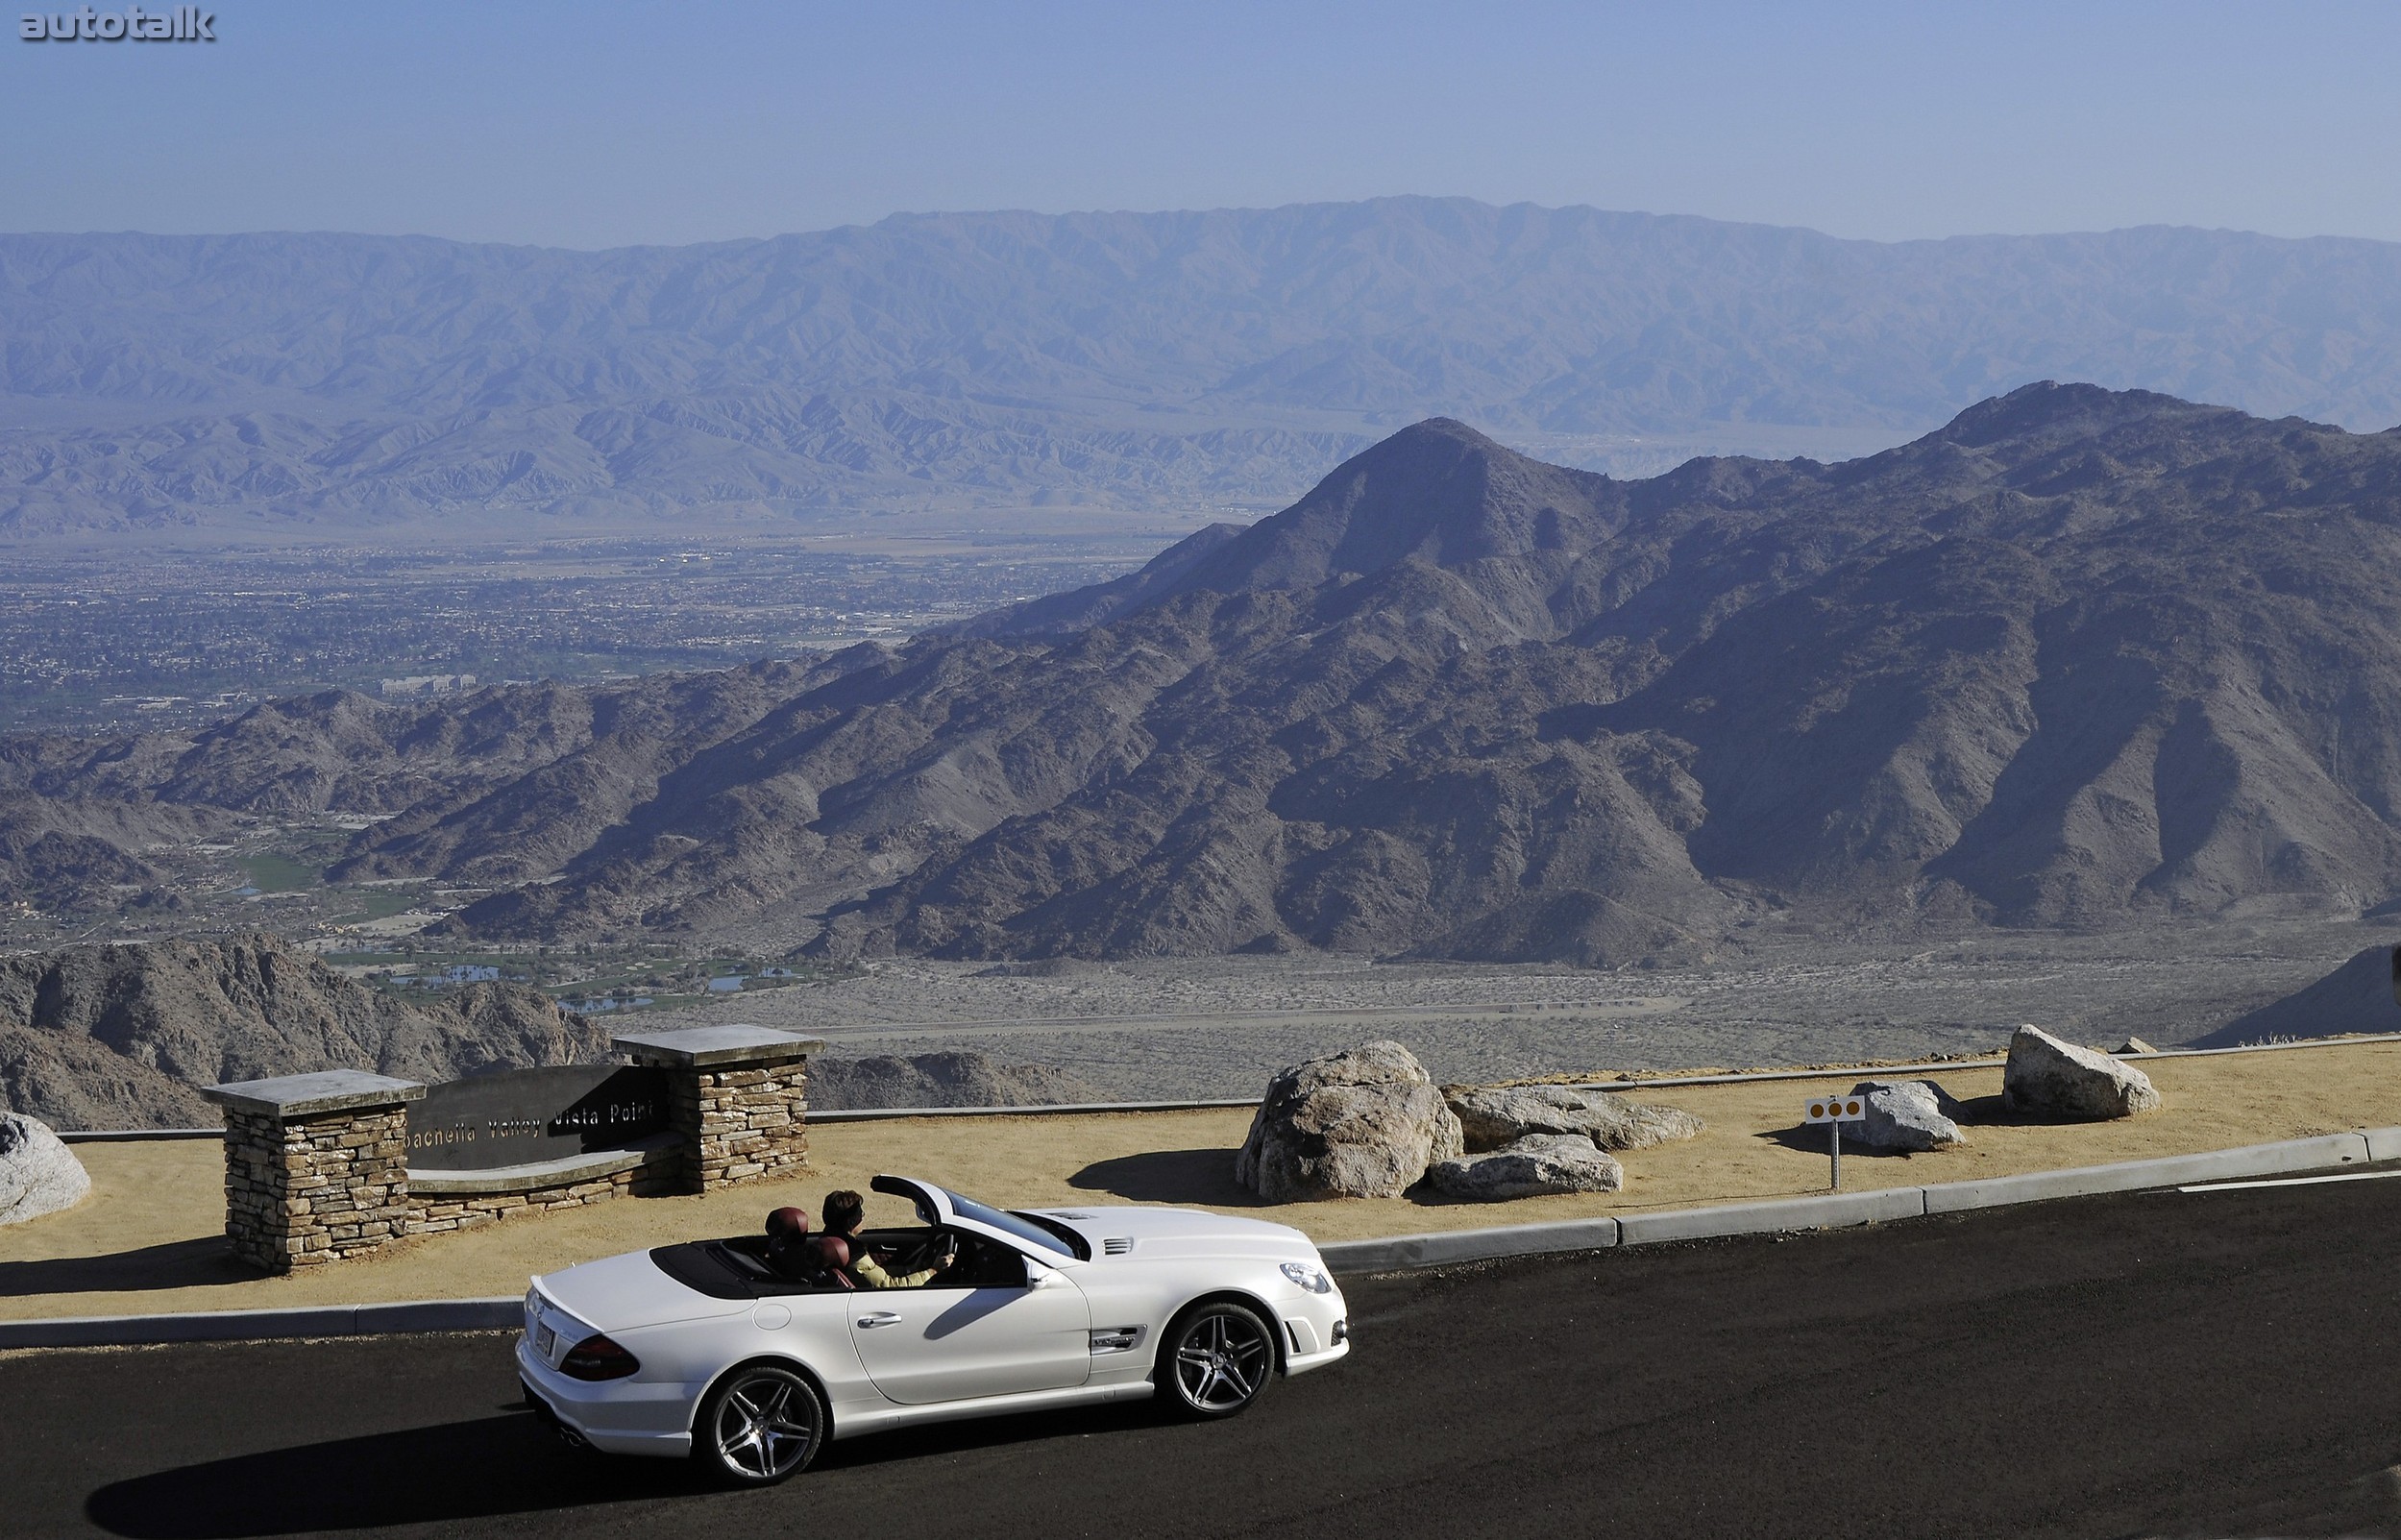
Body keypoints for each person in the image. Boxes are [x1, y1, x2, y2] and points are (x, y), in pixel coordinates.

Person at [821, 1188, 955, 1288]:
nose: (863, 1217)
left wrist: (911, 1269)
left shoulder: (833, 1243)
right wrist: (933, 1271)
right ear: (852, 1222)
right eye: (861, 1214)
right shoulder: (855, 1259)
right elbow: (890, 1286)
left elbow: (877, 1273)